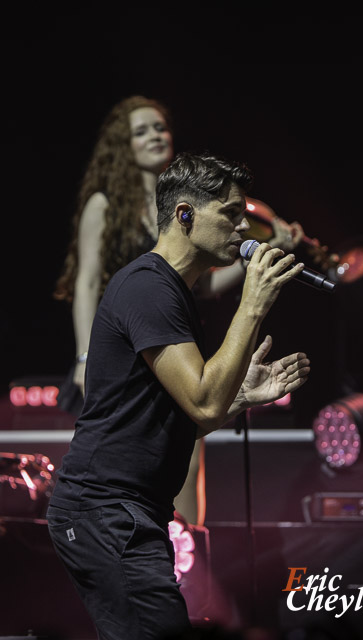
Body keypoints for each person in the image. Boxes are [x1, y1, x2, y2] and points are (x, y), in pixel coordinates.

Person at [46, 152, 311, 640]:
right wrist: (251, 306)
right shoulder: (148, 289)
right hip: (106, 509)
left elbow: (186, 419)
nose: (243, 230)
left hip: (131, 511)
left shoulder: (172, 293)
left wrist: (240, 399)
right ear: (184, 214)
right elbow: (203, 402)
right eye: (230, 215)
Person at [54, 95, 305, 525]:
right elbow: (87, 281)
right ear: (122, 145)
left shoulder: (195, 204)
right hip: (129, 333)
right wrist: (83, 355)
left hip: (172, 324)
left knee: (182, 446)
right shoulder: (109, 206)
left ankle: (188, 548)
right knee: (154, 437)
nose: (156, 135)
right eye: (142, 130)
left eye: (160, 127)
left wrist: (264, 256)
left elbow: (205, 280)